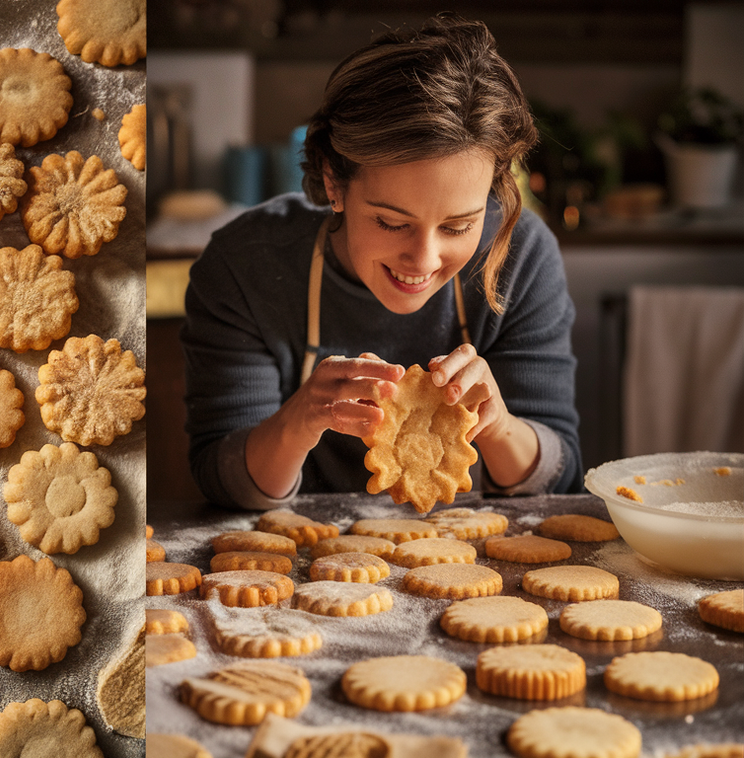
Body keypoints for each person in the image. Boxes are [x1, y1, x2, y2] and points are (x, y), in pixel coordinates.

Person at [181, 15, 582, 510]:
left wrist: (498, 427)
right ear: (333, 179)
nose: (425, 259)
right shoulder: (245, 266)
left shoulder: (521, 257)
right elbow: (220, 479)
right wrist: (301, 418)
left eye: (458, 227)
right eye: (392, 223)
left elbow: (559, 482)